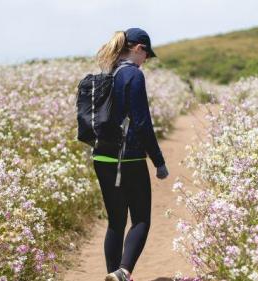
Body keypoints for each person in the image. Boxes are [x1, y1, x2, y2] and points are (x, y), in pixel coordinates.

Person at [93, 27, 169, 281]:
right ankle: (124, 272)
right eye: (146, 54)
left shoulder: (107, 74)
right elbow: (141, 123)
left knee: (115, 221)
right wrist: (158, 161)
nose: (146, 60)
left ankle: (113, 275)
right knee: (141, 220)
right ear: (138, 49)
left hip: (101, 156)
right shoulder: (132, 76)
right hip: (129, 156)